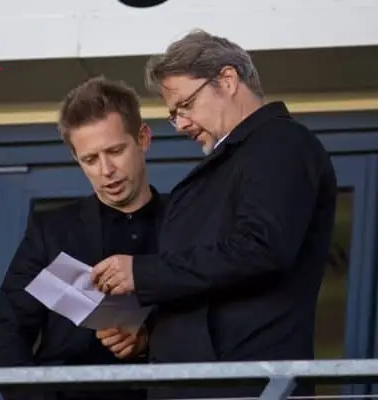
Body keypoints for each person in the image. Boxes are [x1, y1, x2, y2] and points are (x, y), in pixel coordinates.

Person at [92, 30, 338, 399]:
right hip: (206, 380)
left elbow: (259, 249)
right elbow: (209, 281)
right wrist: (151, 335)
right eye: (174, 116)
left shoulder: (280, 143)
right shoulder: (235, 159)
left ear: (227, 80)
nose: (182, 124)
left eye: (185, 106)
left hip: (241, 383)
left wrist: (141, 272)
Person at [0, 76, 167, 400]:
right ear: (76, 159)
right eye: (90, 159)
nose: (106, 170)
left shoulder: (188, 220)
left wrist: (148, 340)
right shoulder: (51, 230)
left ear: (143, 138)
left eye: (115, 151)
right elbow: (7, 333)